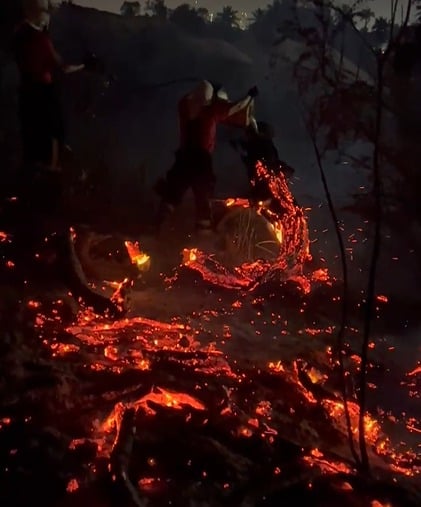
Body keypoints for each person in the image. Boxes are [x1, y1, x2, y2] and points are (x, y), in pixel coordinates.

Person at [154, 80, 258, 234]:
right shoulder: (210, 111)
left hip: (183, 157)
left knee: (173, 192)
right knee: (203, 195)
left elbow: (185, 100)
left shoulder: (185, 110)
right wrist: (249, 97)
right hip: (201, 159)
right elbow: (233, 108)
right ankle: (203, 235)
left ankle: (156, 226)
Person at [232, 119, 295, 205]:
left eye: (250, 134)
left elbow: (265, 168)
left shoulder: (263, 148)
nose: (247, 137)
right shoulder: (259, 148)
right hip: (266, 191)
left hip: (266, 193)